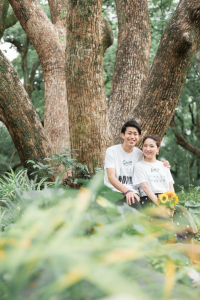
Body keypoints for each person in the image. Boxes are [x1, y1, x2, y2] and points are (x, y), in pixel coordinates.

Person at [133, 134, 198, 241]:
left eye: (151, 146)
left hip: (167, 199)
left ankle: (185, 250)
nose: (148, 149)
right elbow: (145, 187)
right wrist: (161, 205)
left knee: (182, 217)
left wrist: (171, 204)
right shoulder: (140, 166)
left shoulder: (163, 165)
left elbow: (170, 186)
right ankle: (170, 247)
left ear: (158, 149)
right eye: (145, 146)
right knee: (165, 221)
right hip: (151, 199)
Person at [104, 121, 169, 209]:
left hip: (133, 195)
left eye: (135, 134)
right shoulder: (112, 151)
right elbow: (111, 177)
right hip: (114, 192)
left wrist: (163, 164)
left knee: (139, 218)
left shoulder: (140, 154)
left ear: (138, 137)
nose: (132, 137)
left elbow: (151, 165)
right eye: (129, 133)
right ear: (123, 135)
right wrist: (127, 191)